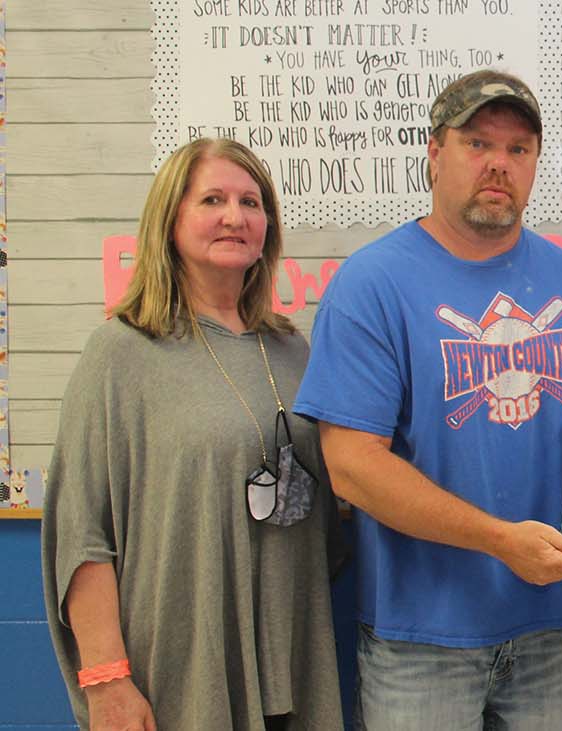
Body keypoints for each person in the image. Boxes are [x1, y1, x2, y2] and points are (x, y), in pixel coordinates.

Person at [293, 69, 562, 730]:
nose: (498, 164)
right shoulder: (372, 284)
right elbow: (352, 466)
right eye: (478, 143)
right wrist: (501, 541)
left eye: (518, 149)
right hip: (419, 640)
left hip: (556, 630)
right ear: (434, 152)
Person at [41, 137, 344, 730]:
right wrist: (107, 681)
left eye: (251, 202)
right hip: (180, 667)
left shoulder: (292, 350)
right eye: (212, 200)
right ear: (170, 220)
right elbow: (82, 532)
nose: (235, 216)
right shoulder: (122, 352)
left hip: (294, 655)